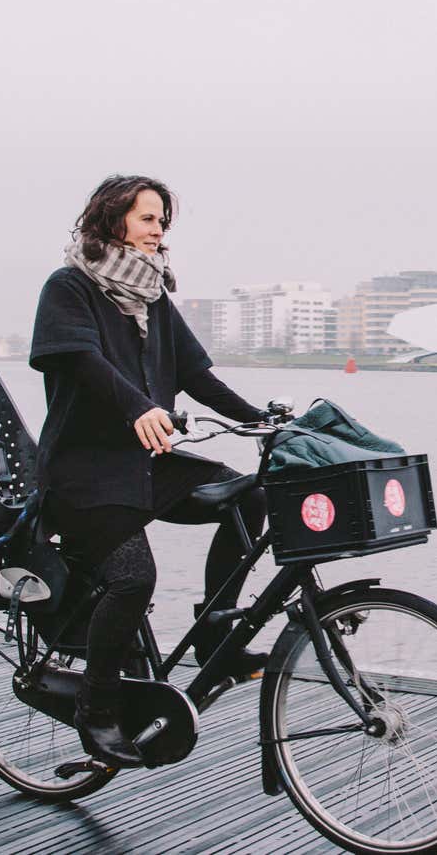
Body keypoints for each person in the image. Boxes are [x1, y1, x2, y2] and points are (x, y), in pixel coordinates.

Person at [29, 175, 267, 767]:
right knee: (133, 578)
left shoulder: (154, 297)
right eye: (146, 219)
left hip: (145, 466)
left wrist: (262, 420)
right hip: (84, 474)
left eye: (163, 220)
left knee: (249, 497)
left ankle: (216, 634)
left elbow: (196, 375)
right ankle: (97, 708)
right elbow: (81, 361)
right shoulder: (69, 286)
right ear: (113, 223)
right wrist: (139, 406)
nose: (159, 230)